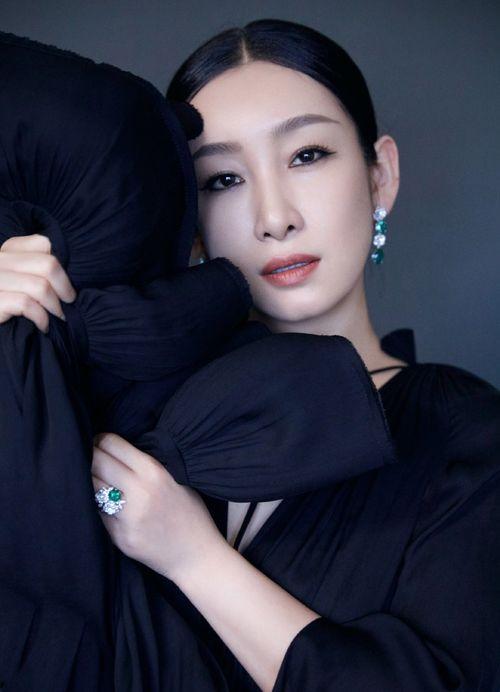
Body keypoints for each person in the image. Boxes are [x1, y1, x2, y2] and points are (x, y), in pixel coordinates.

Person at [1, 17, 499, 692]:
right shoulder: (108, 395)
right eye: (223, 179)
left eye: (307, 156)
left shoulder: (465, 436)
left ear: (380, 176)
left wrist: (196, 561)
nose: (273, 217)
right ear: (187, 216)